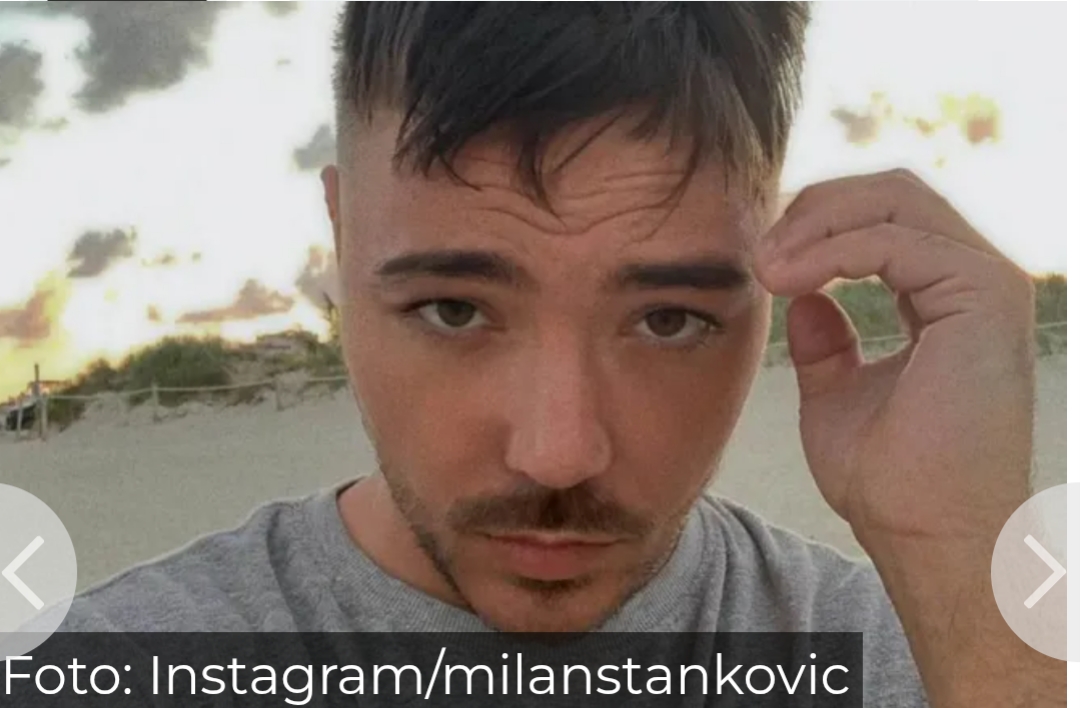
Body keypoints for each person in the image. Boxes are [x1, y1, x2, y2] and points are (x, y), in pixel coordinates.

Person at [57, 3, 1061, 706]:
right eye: (454, 309)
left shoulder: (923, 657)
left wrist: (966, 566)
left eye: (669, 320)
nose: (558, 454)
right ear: (342, 234)